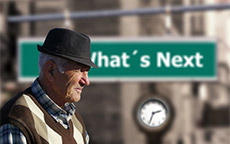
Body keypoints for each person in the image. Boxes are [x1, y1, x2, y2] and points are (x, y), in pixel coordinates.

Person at [0, 28, 97, 144]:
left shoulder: (76, 122)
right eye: (79, 70)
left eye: (87, 72)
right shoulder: (19, 119)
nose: (86, 81)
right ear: (50, 70)